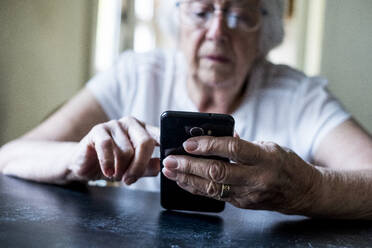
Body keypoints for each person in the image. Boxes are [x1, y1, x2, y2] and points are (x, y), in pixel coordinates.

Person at [1, 0, 372, 219]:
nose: (215, 32)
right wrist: (77, 158)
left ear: (265, 31)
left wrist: (307, 188)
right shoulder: (135, 74)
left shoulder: (299, 96)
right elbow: (10, 156)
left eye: (238, 16)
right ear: (176, 19)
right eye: (200, 11)